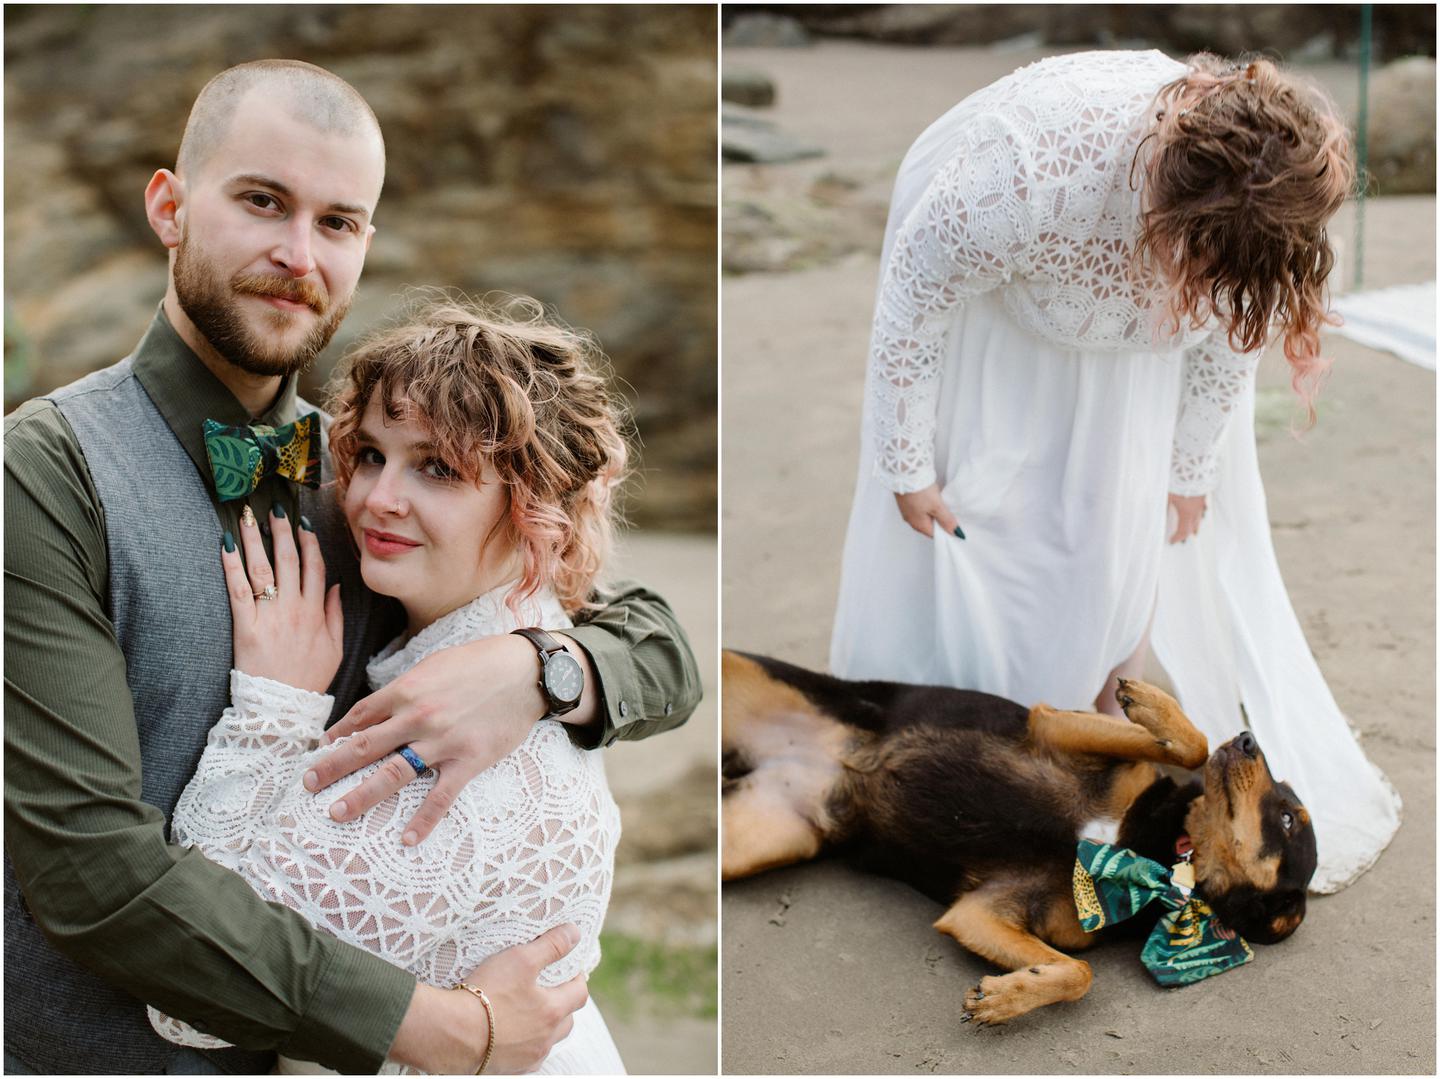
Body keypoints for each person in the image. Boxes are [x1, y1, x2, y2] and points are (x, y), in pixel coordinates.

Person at [4, 60, 701, 1075]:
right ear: (170, 207)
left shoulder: (365, 473)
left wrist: (537, 668)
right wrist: (443, 1028)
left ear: (366, 243)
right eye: (261, 201)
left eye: (337, 221)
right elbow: (90, 874)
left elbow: (656, 637)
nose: (298, 254)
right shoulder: (44, 471)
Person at [829, 50, 1399, 894]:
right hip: (996, 317)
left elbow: (1230, 339)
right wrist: (907, 460)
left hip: (1136, 354)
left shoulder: (1271, 220)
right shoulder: (1020, 177)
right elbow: (916, 295)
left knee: (1114, 518)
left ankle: (1091, 698)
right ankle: (952, 715)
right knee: (991, 506)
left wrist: (1188, 467)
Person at [147, 296, 634, 1074]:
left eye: (438, 467)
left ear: (538, 504)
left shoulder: (447, 759)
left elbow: (190, 997)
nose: (377, 498)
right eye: (371, 454)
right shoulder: (497, 646)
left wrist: (272, 711)